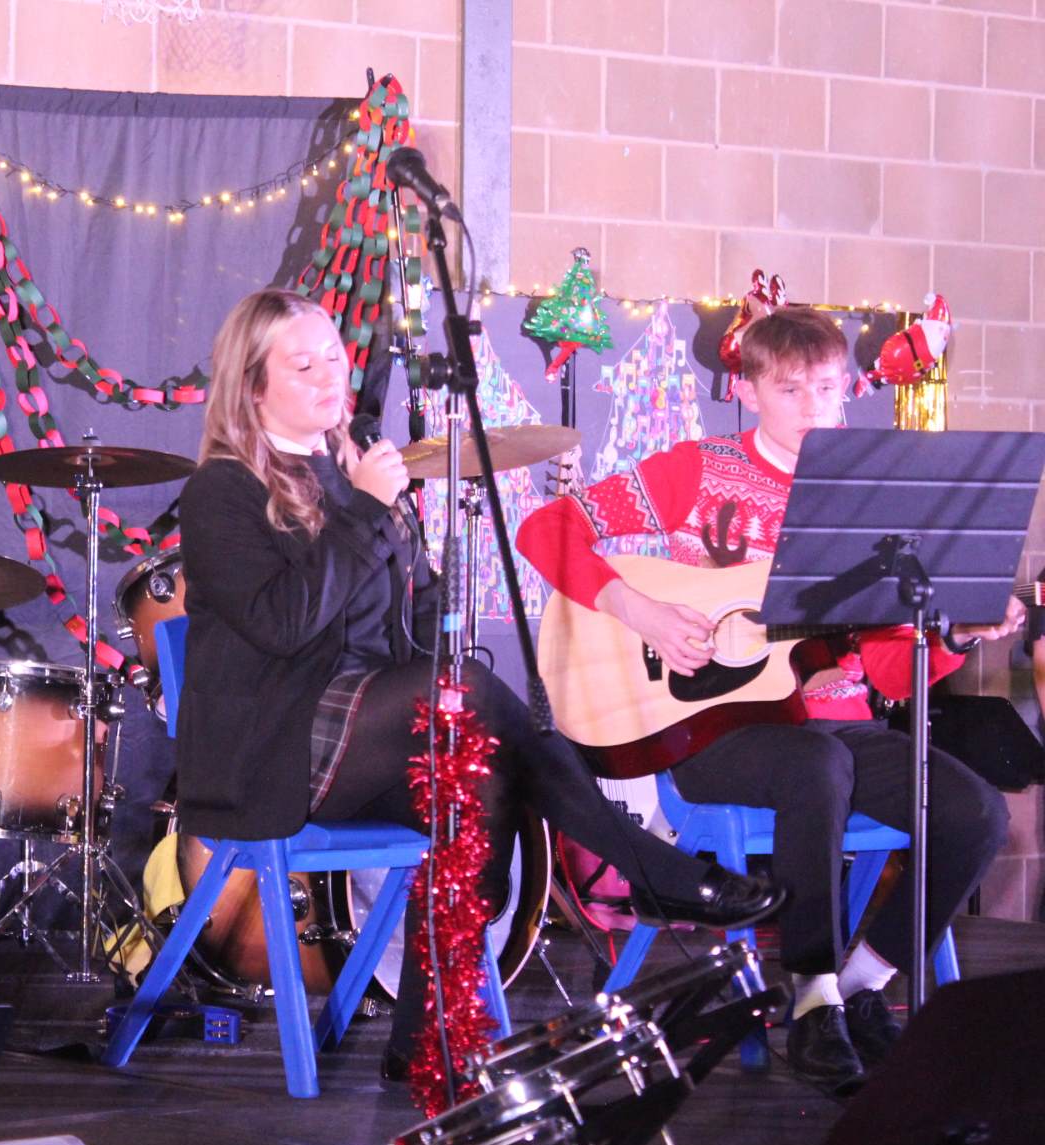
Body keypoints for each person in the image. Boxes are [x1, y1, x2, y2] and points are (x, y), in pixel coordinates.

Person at [174, 287, 786, 1087]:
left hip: (372, 737)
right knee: (469, 694)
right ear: (253, 388)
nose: (331, 377)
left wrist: (400, 549)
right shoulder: (221, 491)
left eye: (334, 358)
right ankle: (647, 868)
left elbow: (416, 621)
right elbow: (285, 625)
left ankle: (420, 1039)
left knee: (476, 785)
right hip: (274, 750)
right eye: (303, 366)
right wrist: (366, 514)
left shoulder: (353, 473)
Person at [518, 305, 1018, 1094]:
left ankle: (857, 986)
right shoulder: (699, 467)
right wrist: (640, 611)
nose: (815, 406)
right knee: (814, 765)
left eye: (828, 387)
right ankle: (810, 993)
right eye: (791, 390)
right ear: (746, 391)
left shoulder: (871, 502)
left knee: (975, 811)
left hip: (838, 729)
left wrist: (955, 637)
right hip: (710, 732)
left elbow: (889, 675)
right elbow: (546, 528)